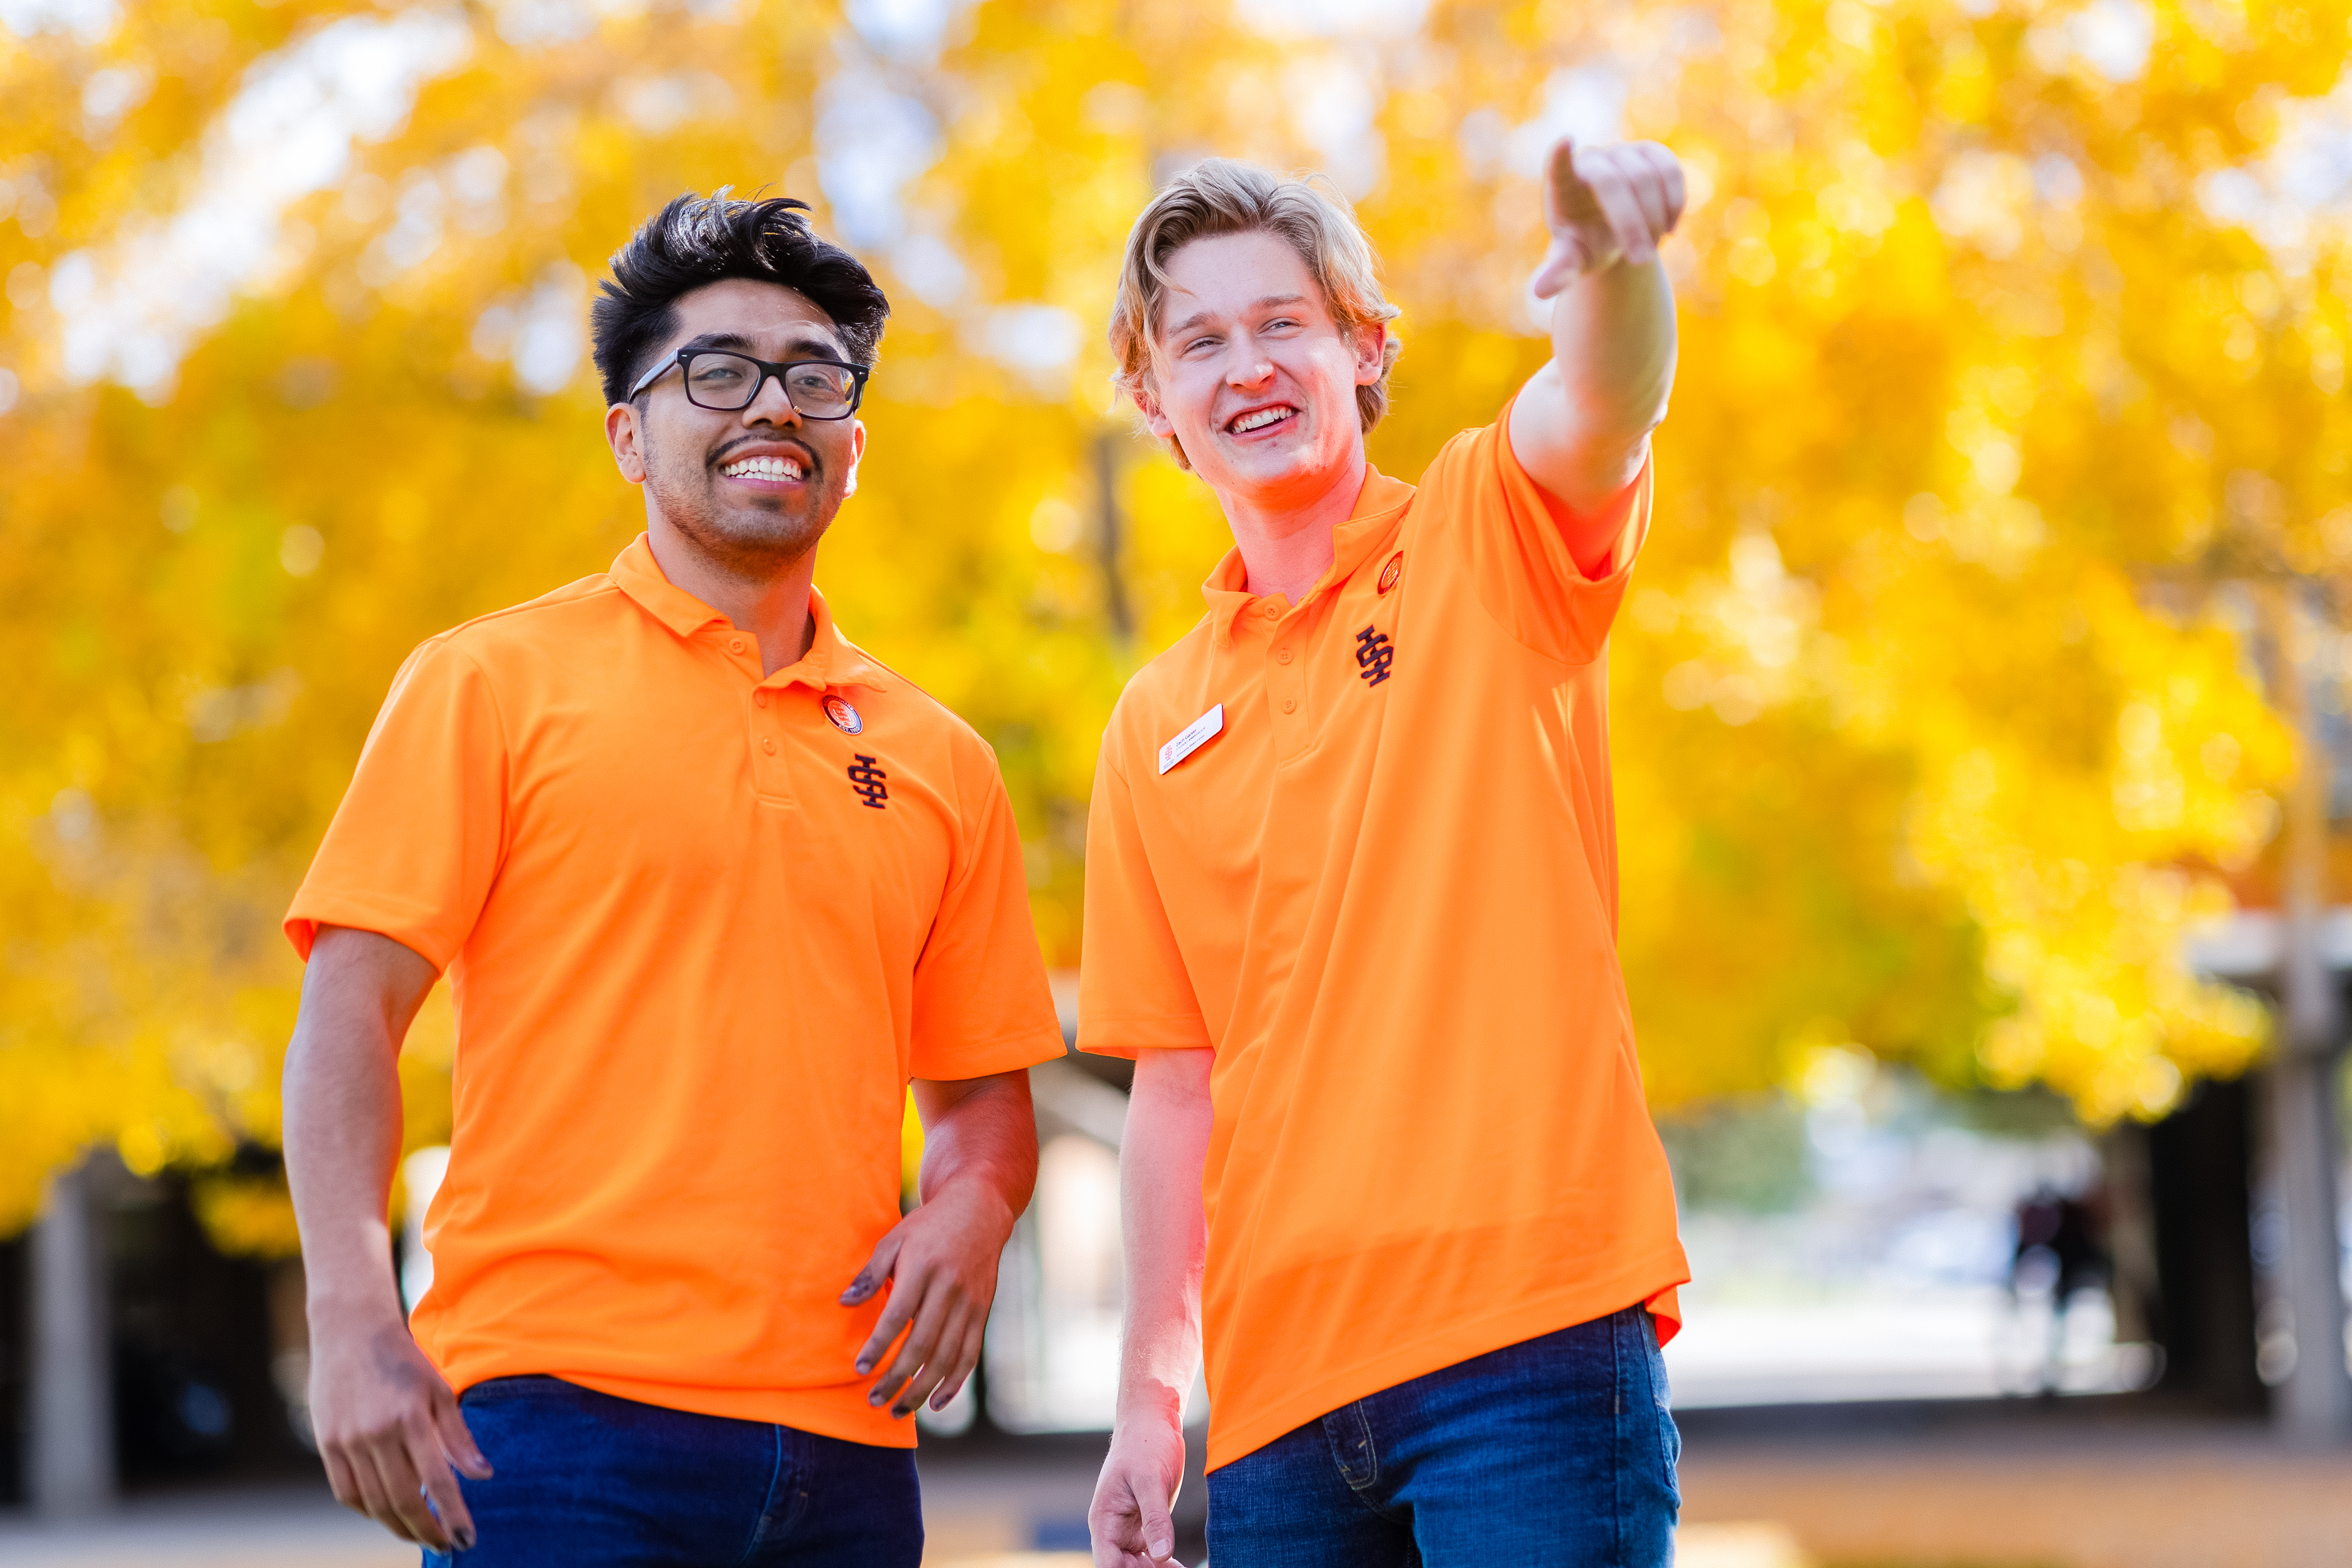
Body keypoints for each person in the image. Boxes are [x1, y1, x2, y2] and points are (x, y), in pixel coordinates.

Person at [279, 193, 1065, 1567]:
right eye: (718, 370)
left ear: (854, 446)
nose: (772, 403)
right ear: (628, 433)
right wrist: (352, 1317)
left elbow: (985, 1096)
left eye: (812, 378)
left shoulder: (945, 759)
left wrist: (974, 1206)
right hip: (553, 1426)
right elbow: (349, 1014)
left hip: (852, 1448)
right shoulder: (488, 683)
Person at [1081, 142, 1693, 1568]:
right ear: (1152, 398)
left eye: (1284, 321)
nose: (1248, 366)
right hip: (1282, 1406)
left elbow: (1605, 399)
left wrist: (1617, 266)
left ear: (1363, 347)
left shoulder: (1490, 531)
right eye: (1202, 341)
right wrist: (1149, 1398)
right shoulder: (1152, 718)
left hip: (1528, 1350)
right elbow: (1176, 1090)